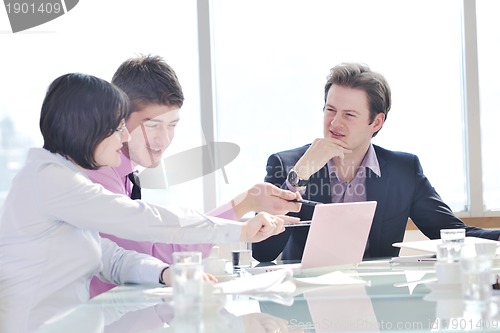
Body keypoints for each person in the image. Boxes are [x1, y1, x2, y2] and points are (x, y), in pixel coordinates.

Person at [0, 73, 290, 332]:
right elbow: (142, 220)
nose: (124, 137)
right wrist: (236, 230)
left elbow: (111, 258)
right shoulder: (50, 181)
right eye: (117, 128)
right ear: (86, 130)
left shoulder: (66, 185)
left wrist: (165, 273)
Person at [86, 55, 301, 296]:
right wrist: (244, 205)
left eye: (172, 125)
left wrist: (248, 201)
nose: (164, 139)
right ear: (120, 117)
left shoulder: (125, 175)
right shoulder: (101, 174)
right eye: (153, 125)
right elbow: (161, 256)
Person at [252, 62, 500, 263]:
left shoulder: (404, 170)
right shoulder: (287, 165)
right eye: (330, 110)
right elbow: (262, 252)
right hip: (304, 309)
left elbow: (450, 233)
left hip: (379, 304)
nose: (335, 123)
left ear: (377, 122)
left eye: (349, 114)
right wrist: (300, 176)